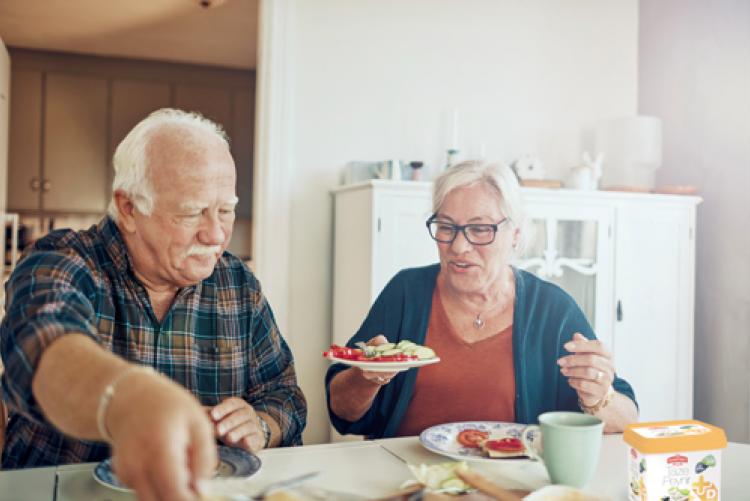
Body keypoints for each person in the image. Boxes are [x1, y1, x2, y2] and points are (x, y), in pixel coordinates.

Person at [0, 109, 306, 499]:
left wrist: (261, 424)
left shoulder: (237, 283)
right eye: (191, 211)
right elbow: (41, 346)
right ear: (129, 208)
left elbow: (285, 395)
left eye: (225, 210)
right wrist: (127, 399)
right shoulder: (62, 259)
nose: (216, 233)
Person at [326, 160, 637, 439]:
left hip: (509, 481)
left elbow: (627, 418)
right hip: (410, 480)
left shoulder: (551, 309)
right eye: (447, 227)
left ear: (515, 234)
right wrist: (366, 377)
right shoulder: (407, 292)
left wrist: (598, 397)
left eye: (480, 229)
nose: (459, 246)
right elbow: (341, 410)